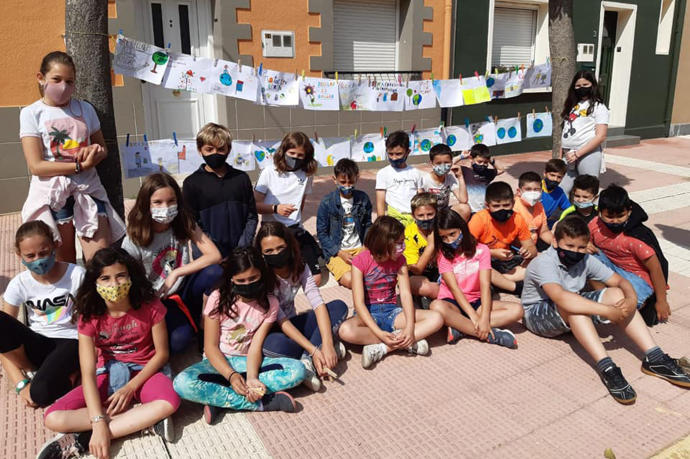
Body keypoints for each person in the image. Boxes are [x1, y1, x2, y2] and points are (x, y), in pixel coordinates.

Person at [521, 215, 690, 405]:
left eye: (581, 247)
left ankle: (655, 358)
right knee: (574, 307)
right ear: (555, 241)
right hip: (536, 314)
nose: (576, 252)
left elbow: (619, 281)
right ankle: (607, 367)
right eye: (569, 246)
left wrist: (631, 299)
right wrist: (606, 311)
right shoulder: (545, 262)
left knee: (617, 293)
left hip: (569, 308)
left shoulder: (585, 259)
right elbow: (561, 298)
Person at [40, 248, 180, 459]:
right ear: (94, 282)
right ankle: (140, 424)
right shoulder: (89, 315)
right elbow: (87, 372)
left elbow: (161, 354)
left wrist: (130, 388)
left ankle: (83, 439)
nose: (114, 284)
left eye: (120, 275)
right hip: (109, 371)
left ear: (130, 275)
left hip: (146, 371)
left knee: (170, 401)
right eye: (105, 278)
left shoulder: (150, 304)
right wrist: (97, 421)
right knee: (53, 418)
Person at [173, 247, 304, 424]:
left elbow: (256, 346)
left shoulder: (270, 302)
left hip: (248, 362)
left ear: (262, 275)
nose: (247, 284)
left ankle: (219, 398)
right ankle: (261, 403)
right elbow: (210, 347)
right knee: (181, 383)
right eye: (241, 280)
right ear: (231, 279)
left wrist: (252, 378)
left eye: (253, 278)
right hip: (219, 363)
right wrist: (231, 376)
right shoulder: (217, 299)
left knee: (298, 370)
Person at [20, 51, 126, 263]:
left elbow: (103, 149)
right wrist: (78, 166)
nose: (63, 86)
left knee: (101, 260)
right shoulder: (31, 113)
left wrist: (94, 152)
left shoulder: (85, 109)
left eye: (69, 81)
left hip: (88, 191)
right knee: (63, 262)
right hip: (53, 197)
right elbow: (36, 166)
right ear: (41, 78)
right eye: (56, 79)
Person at [122, 173, 223, 353]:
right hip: (154, 297)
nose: (166, 207)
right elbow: (129, 279)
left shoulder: (183, 222)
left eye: (171, 201)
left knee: (214, 272)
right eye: (158, 202)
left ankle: (200, 322)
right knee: (178, 342)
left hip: (182, 288)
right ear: (146, 204)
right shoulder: (134, 237)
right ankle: (185, 324)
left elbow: (214, 255)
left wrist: (177, 272)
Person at [338, 216, 444, 369]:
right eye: (399, 243)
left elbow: (405, 294)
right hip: (368, 314)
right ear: (384, 243)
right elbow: (359, 303)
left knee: (436, 318)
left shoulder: (400, 260)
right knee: (345, 331)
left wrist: (409, 327)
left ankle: (382, 348)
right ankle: (407, 342)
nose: (403, 247)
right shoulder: (360, 261)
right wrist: (379, 333)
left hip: (392, 312)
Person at [255, 222, 348, 392]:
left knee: (338, 307)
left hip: (294, 324)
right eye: (268, 251)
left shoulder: (300, 265)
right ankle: (314, 354)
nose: (276, 253)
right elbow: (281, 320)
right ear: (261, 254)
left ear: (289, 245)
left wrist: (326, 344)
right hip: (274, 331)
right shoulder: (261, 276)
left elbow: (317, 303)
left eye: (280, 247)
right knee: (270, 347)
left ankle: (309, 358)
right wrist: (314, 350)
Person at [0, 221, 83, 408]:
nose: (38, 260)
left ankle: (72, 374)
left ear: (54, 246)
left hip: (71, 341)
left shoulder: (76, 275)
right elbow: (4, 344)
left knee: (40, 395)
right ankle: (40, 371)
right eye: (30, 256)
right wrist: (20, 383)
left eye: (44, 253)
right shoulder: (19, 283)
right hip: (40, 342)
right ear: (19, 256)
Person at [430, 209, 521, 348]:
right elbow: (454, 289)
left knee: (518, 310)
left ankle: (460, 326)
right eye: (444, 237)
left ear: (462, 228)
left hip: (476, 300)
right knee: (436, 306)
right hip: (453, 302)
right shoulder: (443, 254)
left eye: (452, 234)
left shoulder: (482, 250)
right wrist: (474, 317)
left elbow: (485, 284)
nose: (449, 240)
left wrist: (484, 317)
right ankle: (490, 336)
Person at [588, 184, 670, 326]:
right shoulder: (595, 225)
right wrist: (586, 245)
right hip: (612, 268)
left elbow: (656, 269)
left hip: (638, 278)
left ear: (629, 211)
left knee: (626, 305)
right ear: (599, 212)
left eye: (620, 216)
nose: (615, 221)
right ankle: (602, 298)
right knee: (587, 257)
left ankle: (621, 301)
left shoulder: (637, 238)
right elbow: (584, 243)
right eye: (609, 216)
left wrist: (661, 301)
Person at [254, 132, 323, 285]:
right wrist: (275, 208)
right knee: (271, 279)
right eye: (292, 153)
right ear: (283, 151)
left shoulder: (306, 174)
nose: (295, 158)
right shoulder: (269, 172)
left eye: (300, 155)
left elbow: (301, 203)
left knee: (316, 279)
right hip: (272, 231)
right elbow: (255, 205)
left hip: (295, 229)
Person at [182, 122, 258, 258]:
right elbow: (191, 223)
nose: (215, 154)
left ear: (228, 149)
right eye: (209, 149)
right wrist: (213, 250)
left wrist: (242, 246)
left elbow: (251, 216)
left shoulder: (241, 178)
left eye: (220, 149)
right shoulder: (192, 183)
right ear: (200, 150)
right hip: (208, 256)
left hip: (241, 254)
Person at [468, 182, 537, 294]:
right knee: (477, 268)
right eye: (496, 206)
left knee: (538, 261)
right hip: (481, 260)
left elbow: (531, 247)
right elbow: (466, 249)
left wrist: (528, 251)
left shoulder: (517, 219)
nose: (502, 210)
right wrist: (491, 253)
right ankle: (503, 283)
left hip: (505, 262)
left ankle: (499, 282)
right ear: (487, 205)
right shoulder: (479, 219)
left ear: (513, 203)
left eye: (506, 205)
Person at [317, 158, 372, 289]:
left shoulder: (363, 198)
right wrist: (340, 253)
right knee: (352, 281)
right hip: (338, 252)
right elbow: (322, 234)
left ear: (357, 178)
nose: (347, 185)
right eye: (343, 182)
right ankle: (361, 306)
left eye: (351, 181)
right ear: (334, 179)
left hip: (361, 248)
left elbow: (368, 225)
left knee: (376, 274)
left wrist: (366, 247)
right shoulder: (327, 202)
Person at [559, 70, 609, 195]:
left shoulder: (599, 107)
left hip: (587, 154)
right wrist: (562, 153)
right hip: (569, 155)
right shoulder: (572, 105)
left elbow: (601, 136)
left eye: (585, 85)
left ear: (592, 85)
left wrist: (578, 154)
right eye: (578, 86)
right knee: (562, 191)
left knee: (587, 192)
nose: (581, 88)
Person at [375, 130, 423, 226]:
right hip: (394, 219)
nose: (394, 158)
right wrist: (381, 223)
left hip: (414, 219)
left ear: (408, 152)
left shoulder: (416, 173)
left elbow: (420, 198)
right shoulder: (383, 173)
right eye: (390, 154)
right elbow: (380, 202)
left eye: (398, 154)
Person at [404, 193, 440, 299]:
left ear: (436, 213)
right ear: (413, 215)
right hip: (416, 275)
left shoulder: (442, 227)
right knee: (425, 287)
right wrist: (431, 245)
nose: (425, 218)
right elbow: (417, 269)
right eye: (420, 215)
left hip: (440, 271)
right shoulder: (408, 233)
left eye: (430, 214)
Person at [420, 143, 470, 220]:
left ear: (451, 162)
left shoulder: (450, 178)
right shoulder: (424, 180)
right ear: (431, 163)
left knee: (465, 208)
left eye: (446, 162)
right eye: (438, 163)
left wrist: (460, 177)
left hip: (444, 213)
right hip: (429, 214)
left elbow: (463, 200)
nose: (443, 166)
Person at [457, 143, 504, 214]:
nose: (482, 164)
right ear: (471, 159)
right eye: (479, 161)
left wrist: (491, 160)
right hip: (468, 211)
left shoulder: (487, 173)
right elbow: (450, 165)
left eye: (485, 162)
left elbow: (501, 169)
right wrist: (461, 156)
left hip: (484, 211)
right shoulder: (465, 171)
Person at [513, 171, 553, 251]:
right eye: (528, 189)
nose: (532, 193)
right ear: (519, 191)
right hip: (516, 249)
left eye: (536, 189)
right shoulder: (514, 207)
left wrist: (557, 243)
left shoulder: (540, 206)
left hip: (533, 248)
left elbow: (543, 231)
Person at [541, 159, 571, 228]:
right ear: (545, 173)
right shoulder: (536, 188)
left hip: (545, 224)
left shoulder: (559, 192)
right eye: (552, 175)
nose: (555, 179)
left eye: (559, 177)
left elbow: (568, 209)